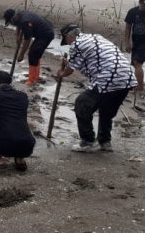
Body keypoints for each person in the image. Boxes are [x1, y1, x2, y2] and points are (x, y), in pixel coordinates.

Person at [55, 24, 138, 153]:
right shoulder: (96, 38)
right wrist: (69, 65)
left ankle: (87, 141)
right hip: (127, 78)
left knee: (82, 104)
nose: (67, 44)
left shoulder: (76, 44)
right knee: (106, 110)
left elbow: (70, 70)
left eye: (66, 40)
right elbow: (89, 65)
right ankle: (105, 142)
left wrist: (62, 73)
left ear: (68, 36)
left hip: (109, 77)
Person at [3, 9, 55, 86]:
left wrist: (21, 55)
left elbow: (27, 40)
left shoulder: (25, 22)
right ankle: (35, 77)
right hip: (41, 32)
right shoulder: (20, 14)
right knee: (35, 53)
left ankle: (32, 80)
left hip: (46, 34)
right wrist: (17, 35)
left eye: (11, 22)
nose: (12, 24)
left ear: (14, 18)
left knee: (33, 54)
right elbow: (18, 24)